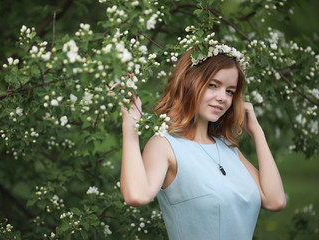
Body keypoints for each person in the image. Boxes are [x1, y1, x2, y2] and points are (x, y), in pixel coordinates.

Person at [115, 44, 286, 239]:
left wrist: (257, 132)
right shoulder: (165, 145)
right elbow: (136, 195)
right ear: (190, 83)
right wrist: (130, 126)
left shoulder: (229, 149)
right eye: (213, 85)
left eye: (230, 91)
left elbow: (275, 201)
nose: (222, 97)